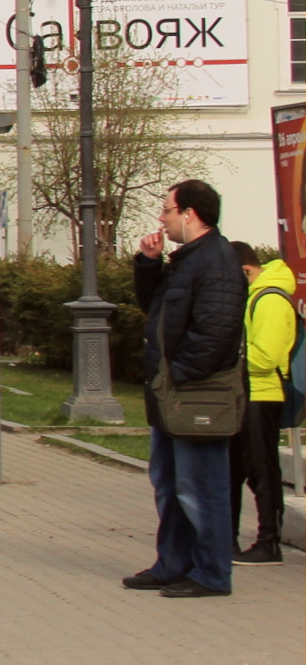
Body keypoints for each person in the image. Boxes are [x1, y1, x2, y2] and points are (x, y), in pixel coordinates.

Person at [124, 181, 248, 598]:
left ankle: (211, 573)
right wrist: (147, 262)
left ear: (190, 214)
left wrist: (177, 375)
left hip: (197, 396)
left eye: (167, 210)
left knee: (201, 488)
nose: (162, 218)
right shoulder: (187, 260)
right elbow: (155, 308)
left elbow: (216, 331)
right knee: (171, 482)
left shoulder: (217, 261)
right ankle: (173, 564)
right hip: (171, 395)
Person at [233, 241, 295, 564]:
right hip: (245, 393)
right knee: (237, 467)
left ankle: (269, 541)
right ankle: (228, 539)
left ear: (245, 271)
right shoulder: (255, 297)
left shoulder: (268, 299)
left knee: (262, 468)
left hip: (262, 394)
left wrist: (230, 358)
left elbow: (267, 356)